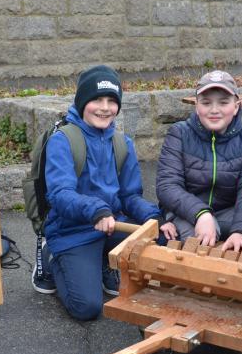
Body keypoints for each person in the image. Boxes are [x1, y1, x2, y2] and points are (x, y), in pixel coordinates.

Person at [42, 65, 161, 320]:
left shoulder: (122, 143)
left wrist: (156, 217)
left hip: (114, 225)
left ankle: (105, 262)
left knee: (161, 243)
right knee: (87, 308)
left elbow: (130, 196)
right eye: (96, 99)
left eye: (111, 100)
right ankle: (52, 259)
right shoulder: (63, 140)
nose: (104, 107)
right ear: (82, 101)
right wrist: (95, 210)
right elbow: (60, 194)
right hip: (72, 230)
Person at [155, 70, 242, 250]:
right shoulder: (179, 133)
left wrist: (241, 231)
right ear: (197, 106)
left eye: (223, 102)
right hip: (185, 212)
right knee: (195, 240)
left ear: (236, 106)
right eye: (206, 103)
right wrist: (201, 213)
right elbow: (167, 185)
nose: (214, 110)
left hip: (227, 212)